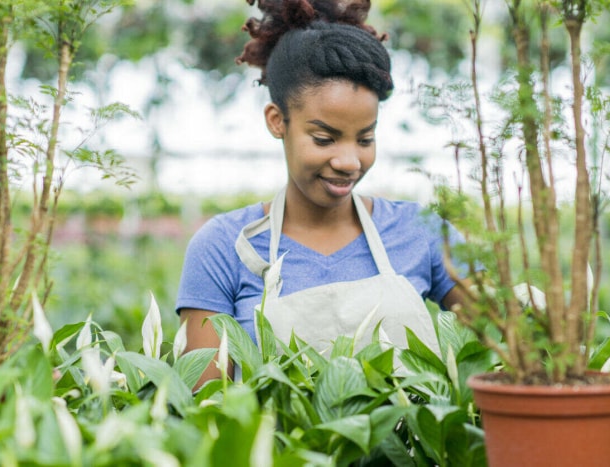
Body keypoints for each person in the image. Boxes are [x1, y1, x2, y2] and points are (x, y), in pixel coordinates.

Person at [176, 0, 467, 389]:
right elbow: (203, 404)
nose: (349, 161)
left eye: (366, 138)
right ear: (277, 121)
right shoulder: (222, 248)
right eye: (324, 138)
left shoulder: (422, 232)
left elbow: (504, 352)